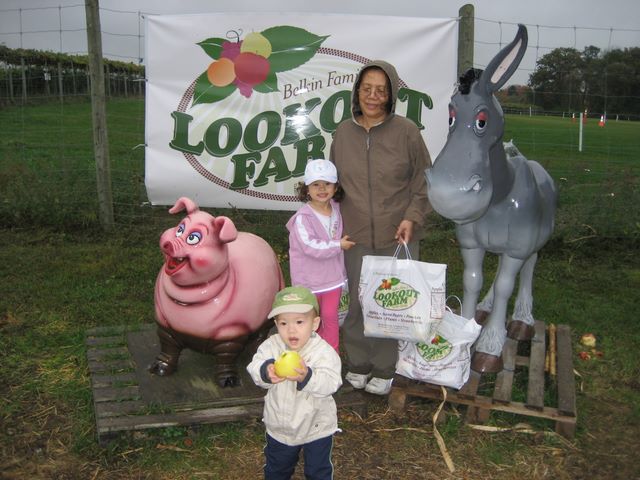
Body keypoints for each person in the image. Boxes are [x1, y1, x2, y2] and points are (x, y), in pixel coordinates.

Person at [329, 60, 432, 395]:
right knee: (359, 301)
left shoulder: (407, 132)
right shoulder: (343, 134)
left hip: (397, 234)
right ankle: (359, 362)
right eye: (367, 88)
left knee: (390, 303)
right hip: (355, 234)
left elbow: (424, 180)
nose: (373, 96)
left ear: (391, 96)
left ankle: (386, 367)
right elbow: (333, 184)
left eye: (381, 90)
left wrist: (412, 217)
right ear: (357, 92)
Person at [247, 286, 343, 480]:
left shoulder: (323, 352)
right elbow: (254, 367)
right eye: (283, 323)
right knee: (277, 470)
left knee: (317, 471)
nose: (291, 329)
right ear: (276, 324)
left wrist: (307, 377)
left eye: (299, 322)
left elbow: (332, 382)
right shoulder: (271, 346)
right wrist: (266, 372)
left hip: (316, 427)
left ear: (315, 323)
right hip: (280, 426)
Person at [287, 158, 355, 353]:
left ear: (336, 187)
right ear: (306, 188)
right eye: (316, 184)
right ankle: (308, 355)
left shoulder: (337, 208)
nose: (322, 189)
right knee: (309, 320)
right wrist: (338, 245)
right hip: (308, 282)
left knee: (330, 318)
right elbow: (310, 246)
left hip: (333, 280)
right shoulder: (303, 218)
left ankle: (331, 355)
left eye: (327, 183)